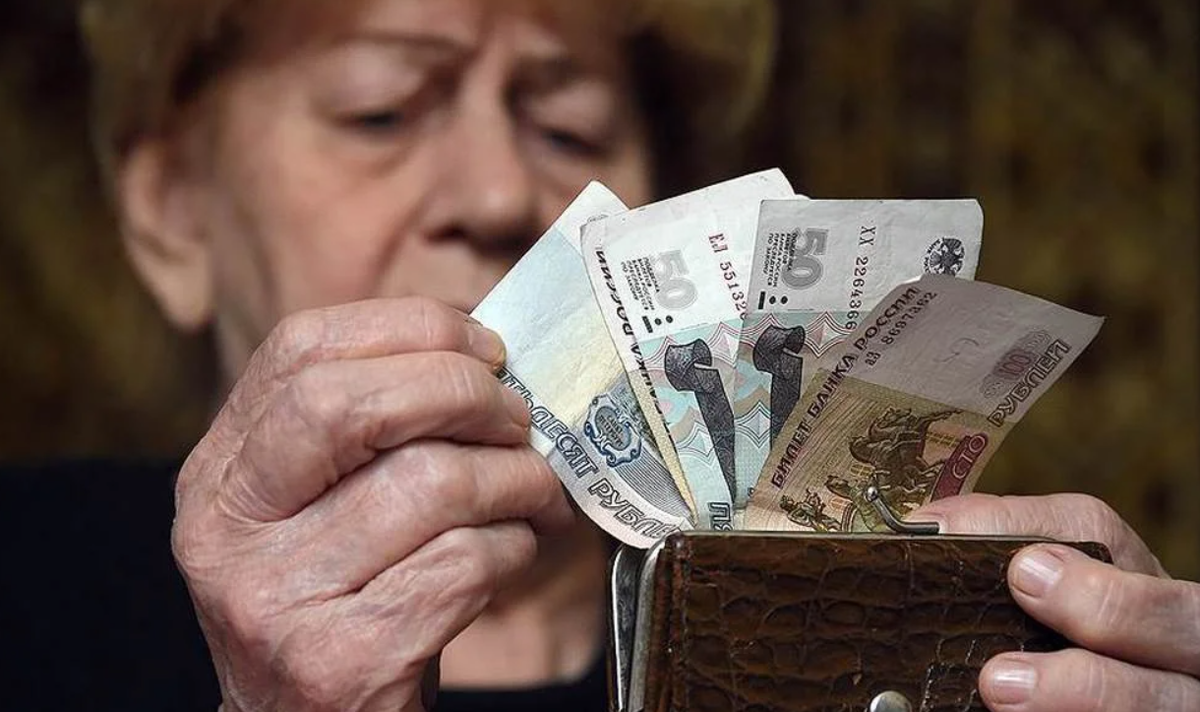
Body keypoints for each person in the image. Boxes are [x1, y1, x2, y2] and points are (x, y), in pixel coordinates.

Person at [3, 0, 1196, 710]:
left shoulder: (902, 622)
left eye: (570, 127)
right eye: (381, 110)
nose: (499, 194)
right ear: (171, 210)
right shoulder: (27, 590)